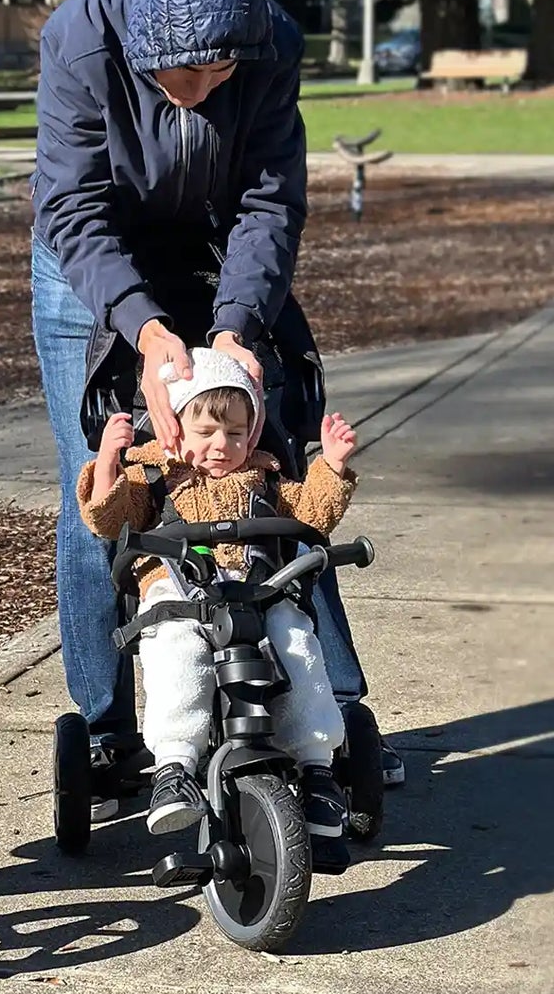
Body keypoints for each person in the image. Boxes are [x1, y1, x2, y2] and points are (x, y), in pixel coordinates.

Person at [29, 0, 401, 810]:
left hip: (213, 241)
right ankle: (115, 732)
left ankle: (332, 706)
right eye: (175, 81)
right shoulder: (80, 40)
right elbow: (73, 205)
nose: (194, 99)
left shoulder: (270, 47)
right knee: (101, 475)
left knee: (273, 456)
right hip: (89, 255)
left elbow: (269, 200)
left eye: (213, 77)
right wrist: (148, 331)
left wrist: (235, 328)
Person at [76, 349, 360, 845]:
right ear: (176, 428)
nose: (221, 445)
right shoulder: (156, 479)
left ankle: (316, 766)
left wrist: (331, 467)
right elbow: (108, 519)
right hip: (178, 593)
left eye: (234, 432)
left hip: (260, 591)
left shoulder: (264, 476)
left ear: (251, 431)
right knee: (176, 651)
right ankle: (175, 766)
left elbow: (312, 515)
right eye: (205, 432)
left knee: (296, 642)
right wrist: (107, 464)